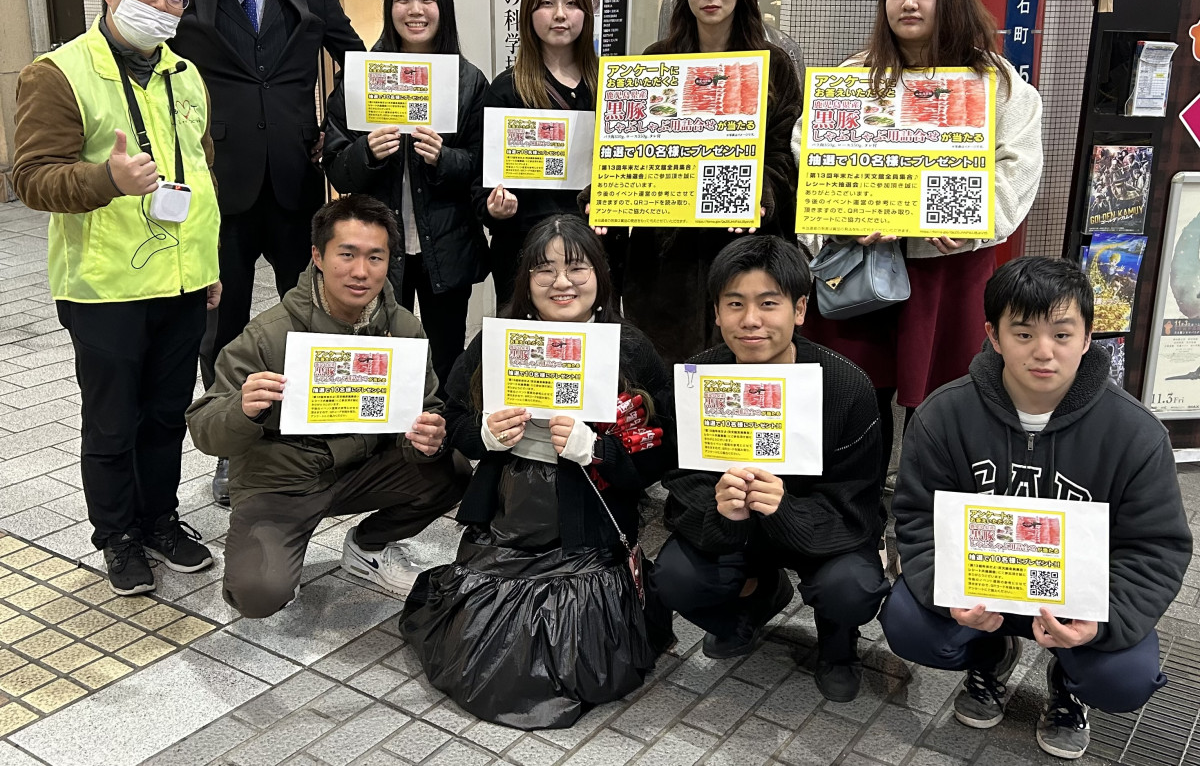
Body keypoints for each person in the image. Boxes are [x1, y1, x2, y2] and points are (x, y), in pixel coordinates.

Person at [882, 256, 1192, 760]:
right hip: (985, 591)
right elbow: (918, 520)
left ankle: (1069, 682)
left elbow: (1156, 548)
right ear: (993, 335)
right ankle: (990, 655)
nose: (1043, 352)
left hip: (1076, 602)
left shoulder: (1135, 434)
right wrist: (949, 596)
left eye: (1062, 334)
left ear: (1088, 337)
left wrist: (1102, 622)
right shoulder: (944, 415)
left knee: (1125, 678)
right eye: (1023, 334)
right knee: (908, 624)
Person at [401, 214, 675, 729]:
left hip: (588, 528)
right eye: (544, 269)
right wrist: (484, 434)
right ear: (525, 279)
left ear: (600, 276)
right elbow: (453, 416)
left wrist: (598, 450)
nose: (561, 282)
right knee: (485, 648)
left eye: (577, 267)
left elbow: (665, 450)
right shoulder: (499, 341)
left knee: (578, 650)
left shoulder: (630, 346)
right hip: (507, 514)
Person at [12, 0, 220, 595]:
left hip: (182, 281)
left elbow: (200, 172)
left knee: (165, 414)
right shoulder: (58, 73)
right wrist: (107, 179)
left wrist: (208, 265)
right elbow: (31, 178)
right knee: (112, 421)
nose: (162, 5)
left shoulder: (185, 74)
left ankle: (159, 519)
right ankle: (117, 536)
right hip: (104, 288)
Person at [800, 0, 1044, 468]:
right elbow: (808, 149)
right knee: (854, 392)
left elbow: (1018, 164)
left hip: (947, 269)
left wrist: (971, 220)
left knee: (940, 400)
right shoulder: (854, 75)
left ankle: (924, 503)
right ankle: (855, 501)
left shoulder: (993, 81)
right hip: (861, 263)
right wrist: (842, 216)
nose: (908, 2)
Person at [172, 0, 365, 507]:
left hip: (294, 182)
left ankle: (310, 431)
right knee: (221, 325)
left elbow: (357, 59)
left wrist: (333, 128)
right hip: (216, 189)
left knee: (308, 312)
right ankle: (231, 447)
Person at [185, 195, 469, 617]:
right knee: (258, 595)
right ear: (318, 256)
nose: (361, 271)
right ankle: (278, 557)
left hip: (361, 468)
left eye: (375, 257)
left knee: (452, 471)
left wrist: (427, 438)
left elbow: (424, 410)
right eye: (347, 254)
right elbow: (205, 430)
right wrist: (242, 410)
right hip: (281, 482)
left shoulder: (403, 329)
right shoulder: (269, 334)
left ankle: (368, 546)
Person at [653, 235, 889, 702]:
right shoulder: (697, 379)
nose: (750, 320)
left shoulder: (847, 386)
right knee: (676, 578)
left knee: (852, 587)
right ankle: (754, 599)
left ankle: (838, 643)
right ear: (716, 312)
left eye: (768, 303)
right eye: (734, 304)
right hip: (735, 531)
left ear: (800, 309)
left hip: (821, 533)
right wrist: (721, 509)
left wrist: (785, 509)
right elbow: (681, 478)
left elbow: (857, 504)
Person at [613, 0, 802, 365]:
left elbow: (784, 158)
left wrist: (762, 194)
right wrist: (606, 193)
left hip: (746, 250)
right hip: (664, 259)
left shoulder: (774, 65)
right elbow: (630, 150)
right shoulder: (655, 62)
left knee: (740, 375)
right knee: (665, 377)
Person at [324, 0, 489, 390]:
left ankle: (442, 427)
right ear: (389, 7)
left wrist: (443, 158)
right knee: (378, 355)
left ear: (443, 7)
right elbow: (336, 166)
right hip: (376, 245)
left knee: (446, 353)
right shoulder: (363, 77)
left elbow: (482, 165)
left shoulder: (468, 81)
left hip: (445, 243)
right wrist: (366, 153)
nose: (415, 10)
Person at [475, 0, 625, 306]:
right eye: (546, 3)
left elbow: (629, 173)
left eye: (572, 3)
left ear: (586, 13)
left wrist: (613, 203)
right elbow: (480, 190)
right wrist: (495, 208)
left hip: (595, 251)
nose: (560, 14)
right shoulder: (506, 90)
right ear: (528, 12)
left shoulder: (612, 86)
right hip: (524, 255)